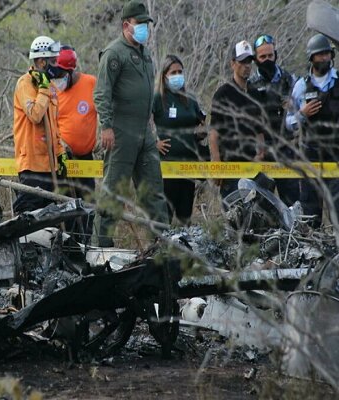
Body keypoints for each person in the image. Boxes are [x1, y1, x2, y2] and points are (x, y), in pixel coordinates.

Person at [91, 0, 168, 247]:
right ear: (126, 25)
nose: (145, 27)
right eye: (141, 23)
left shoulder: (145, 55)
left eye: (147, 23)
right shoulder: (114, 54)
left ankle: (162, 246)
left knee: (154, 192)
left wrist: (152, 130)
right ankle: (99, 248)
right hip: (120, 133)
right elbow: (101, 93)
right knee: (113, 192)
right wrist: (106, 127)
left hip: (144, 133)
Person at [286, 33, 339, 227]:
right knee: (310, 214)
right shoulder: (301, 86)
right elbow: (288, 123)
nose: (324, 58)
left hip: (335, 155)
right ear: (311, 58)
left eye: (327, 54)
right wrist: (303, 113)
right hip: (311, 155)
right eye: (320, 54)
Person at [12, 35, 66, 213]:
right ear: (42, 61)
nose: (57, 64)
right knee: (28, 214)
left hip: (49, 165)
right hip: (32, 164)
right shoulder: (25, 84)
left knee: (49, 217)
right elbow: (35, 115)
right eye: (53, 60)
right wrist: (42, 89)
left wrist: (60, 153)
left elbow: (54, 126)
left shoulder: (51, 87)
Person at [153, 55, 206, 225]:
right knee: (164, 217)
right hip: (166, 167)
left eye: (180, 72)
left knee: (185, 217)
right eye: (173, 72)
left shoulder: (190, 100)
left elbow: (200, 125)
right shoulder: (157, 99)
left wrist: (201, 132)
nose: (177, 75)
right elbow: (140, 123)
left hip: (189, 166)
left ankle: (184, 250)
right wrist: (153, 143)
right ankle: (160, 249)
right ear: (164, 75)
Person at [248, 34, 300, 206]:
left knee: (292, 201)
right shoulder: (250, 84)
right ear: (255, 59)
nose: (267, 60)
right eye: (263, 57)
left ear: (275, 55)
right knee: (259, 203)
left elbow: (302, 110)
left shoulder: (290, 80)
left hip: (286, 148)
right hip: (260, 150)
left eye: (270, 56)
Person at [209, 40, 265, 198]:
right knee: (234, 216)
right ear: (233, 63)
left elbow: (259, 131)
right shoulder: (223, 94)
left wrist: (260, 154)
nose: (247, 65)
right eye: (242, 61)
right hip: (230, 168)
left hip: (252, 167)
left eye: (249, 61)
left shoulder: (255, 94)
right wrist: (216, 164)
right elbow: (213, 133)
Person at [53, 45, 98, 241]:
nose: (58, 79)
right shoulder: (54, 89)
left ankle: (86, 242)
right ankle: (69, 243)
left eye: (62, 74)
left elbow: (106, 109)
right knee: (66, 203)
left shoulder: (91, 84)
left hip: (86, 158)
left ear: (71, 71)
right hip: (63, 157)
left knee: (88, 203)